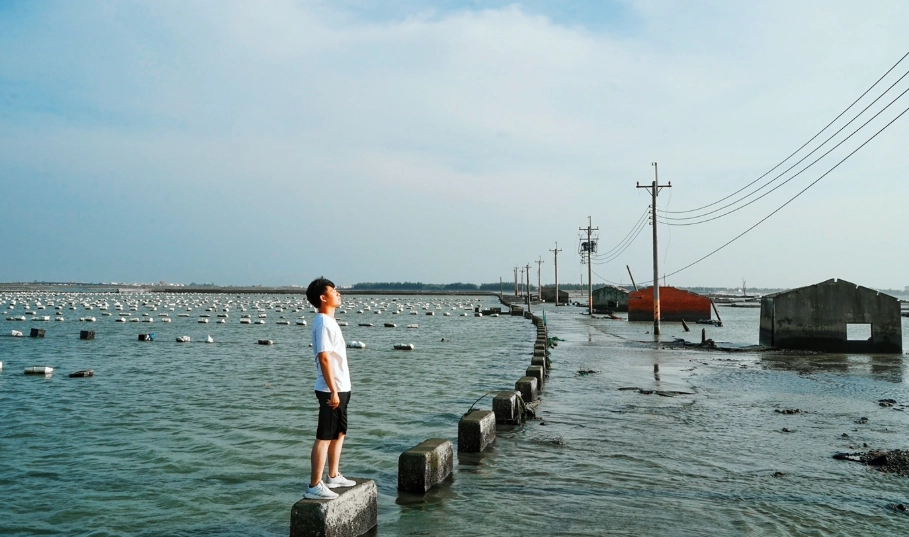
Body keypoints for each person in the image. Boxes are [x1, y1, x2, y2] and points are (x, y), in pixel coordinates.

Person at [303, 277, 356, 500]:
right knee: (324, 436)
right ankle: (314, 485)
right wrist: (333, 390)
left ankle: (333, 476)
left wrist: (340, 389)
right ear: (323, 297)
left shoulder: (330, 321)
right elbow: (323, 358)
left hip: (341, 386)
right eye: (334, 291)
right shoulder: (323, 322)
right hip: (329, 389)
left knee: (339, 432)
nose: (338, 293)